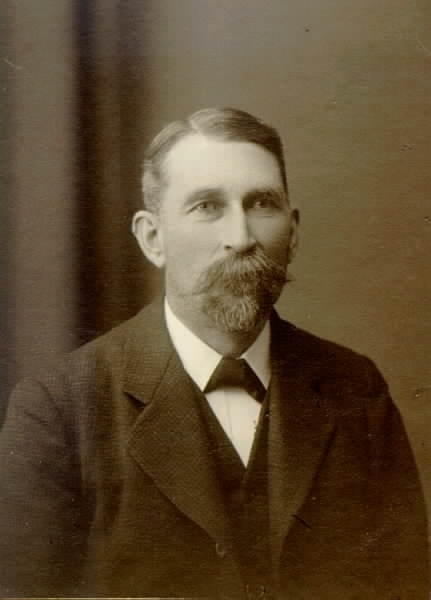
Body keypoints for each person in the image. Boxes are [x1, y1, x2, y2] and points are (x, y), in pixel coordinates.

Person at [0, 107, 428, 599]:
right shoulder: (59, 410)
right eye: (207, 206)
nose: (241, 238)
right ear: (152, 238)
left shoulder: (355, 388)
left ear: (293, 232)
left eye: (261, 204)